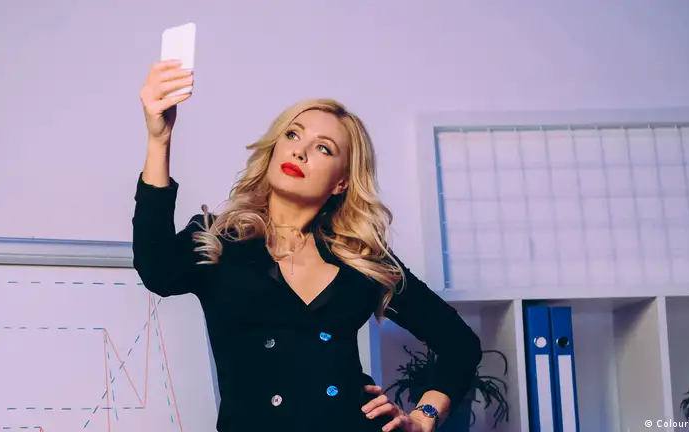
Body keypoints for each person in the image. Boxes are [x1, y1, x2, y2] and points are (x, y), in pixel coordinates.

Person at [132, 60, 482, 432]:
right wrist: (159, 139)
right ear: (274, 147)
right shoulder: (220, 237)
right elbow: (156, 269)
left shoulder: (362, 258)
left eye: (324, 149)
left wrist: (424, 417)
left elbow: (460, 344)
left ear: (341, 182)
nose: (300, 152)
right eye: (293, 135)